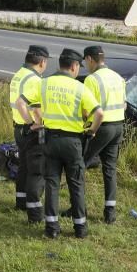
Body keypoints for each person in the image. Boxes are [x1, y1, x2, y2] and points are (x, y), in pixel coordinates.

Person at [40, 48, 103, 239]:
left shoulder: (44, 83)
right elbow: (99, 113)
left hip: (50, 139)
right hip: (73, 142)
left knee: (52, 183)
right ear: (74, 66)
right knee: (76, 184)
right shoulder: (80, 88)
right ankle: (80, 228)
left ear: (60, 64)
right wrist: (91, 131)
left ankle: (51, 227)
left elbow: (28, 104)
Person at [81, 45, 126, 224]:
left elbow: (86, 109)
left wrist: (87, 128)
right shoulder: (117, 77)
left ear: (90, 59)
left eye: (85, 61)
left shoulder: (92, 80)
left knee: (80, 164)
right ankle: (110, 212)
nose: (85, 65)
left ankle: (78, 208)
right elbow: (124, 105)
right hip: (118, 126)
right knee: (109, 168)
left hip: (101, 127)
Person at [8, 45, 49, 223]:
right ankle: (34, 212)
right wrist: (36, 124)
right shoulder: (35, 80)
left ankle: (21, 201)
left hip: (18, 128)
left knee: (23, 167)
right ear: (42, 62)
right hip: (31, 129)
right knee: (36, 171)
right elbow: (35, 109)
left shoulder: (18, 75)